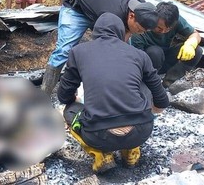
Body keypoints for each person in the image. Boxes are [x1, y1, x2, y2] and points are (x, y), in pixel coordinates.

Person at [58, 13, 170, 173]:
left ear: (95, 32)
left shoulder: (78, 52)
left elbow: (63, 96)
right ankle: (131, 150)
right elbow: (162, 101)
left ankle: (100, 155)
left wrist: (74, 100)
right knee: (143, 88)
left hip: (97, 135)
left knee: (70, 110)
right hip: (140, 132)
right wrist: (148, 110)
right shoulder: (139, 54)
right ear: (121, 32)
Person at [40, 0, 159, 94]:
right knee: (64, 51)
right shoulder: (113, 13)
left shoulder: (143, 8)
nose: (140, 33)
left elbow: (123, 41)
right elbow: (102, 47)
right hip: (77, 7)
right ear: (131, 16)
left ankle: (120, 89)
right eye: (139, 29)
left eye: (143, 31)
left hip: (98, 10)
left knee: (125, 52)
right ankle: (44, 93)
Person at [131, 2, 203, 76]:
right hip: (147, 62)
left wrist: (190, 44)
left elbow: (195, 34)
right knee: (155, 52)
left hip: (166, 59)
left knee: (197, 50)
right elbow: (134, 60)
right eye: (159, 28)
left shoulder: (175, 20)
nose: (163, 31)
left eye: (168, 29)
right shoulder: (141, 28)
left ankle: (168, 83)